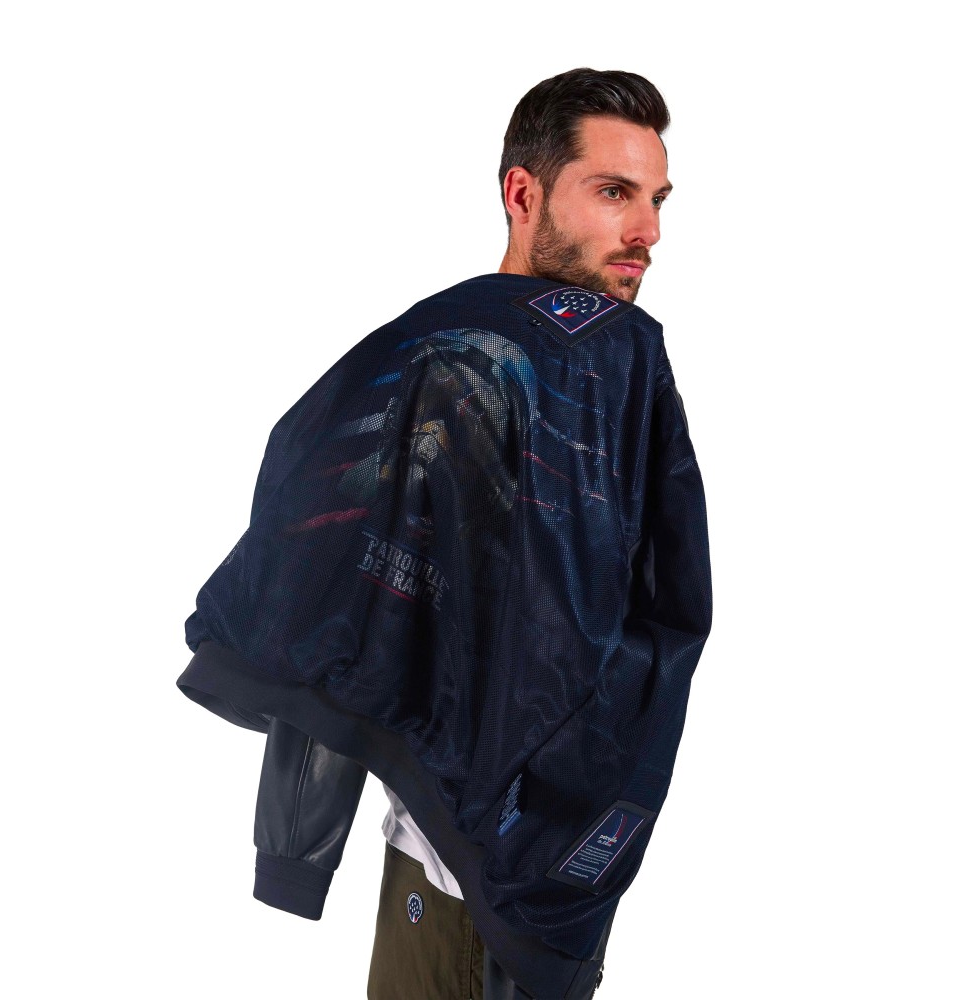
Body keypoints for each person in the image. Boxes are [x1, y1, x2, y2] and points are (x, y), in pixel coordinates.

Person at [177, 67, 712, 999]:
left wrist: (296, 852)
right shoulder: (605, 356)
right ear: (523, 193)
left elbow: (331, 597)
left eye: (657, 200)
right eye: (614, 193)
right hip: (488, 887)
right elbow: (665, 609)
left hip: (450, 870)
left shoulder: (423, 346)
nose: (648, 232)